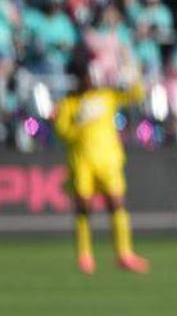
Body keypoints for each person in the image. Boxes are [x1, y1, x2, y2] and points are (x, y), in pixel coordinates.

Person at [53, 51, 151, 275]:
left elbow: (136, 94)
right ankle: (85, 255)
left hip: (109, 161)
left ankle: (124, 253)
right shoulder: (68, 104)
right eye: (85, 76)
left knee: (117, 204)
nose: (89, 80)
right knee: (83, 208)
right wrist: (79, 122)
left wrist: (133, 74)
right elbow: (62, 133)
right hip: (82, 163)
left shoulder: (106, 97)